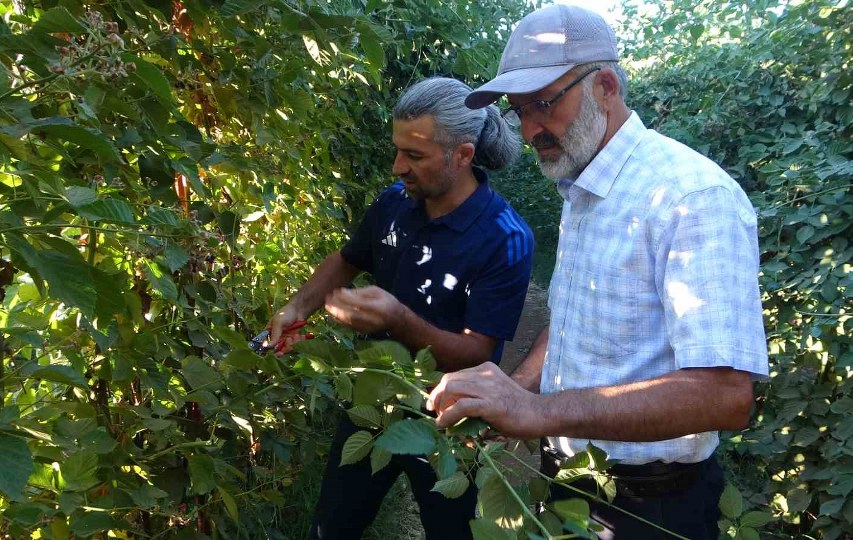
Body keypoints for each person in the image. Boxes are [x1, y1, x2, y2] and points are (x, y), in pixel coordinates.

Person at [427, 5, 769, 539]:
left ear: (605, 85)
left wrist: (539, 413)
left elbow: (725, 396)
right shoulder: (582, 188)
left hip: (650, 506)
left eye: (542, 104)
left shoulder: (691, 197)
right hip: (572, 484)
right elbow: (573, 321)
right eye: (519, 111)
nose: (530, 129)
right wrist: (515, 393)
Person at [267, 77, 533, 540]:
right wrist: (297, 307)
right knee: (332, 525)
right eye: (397, 150)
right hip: (373, 399)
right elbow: (349, 259)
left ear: (463, 155)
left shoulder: (504, 238)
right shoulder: (394, 203)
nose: (397, 168)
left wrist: (397, 318)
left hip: (449, 418)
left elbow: (477, 354)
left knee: (453, 529)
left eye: (414, 155)